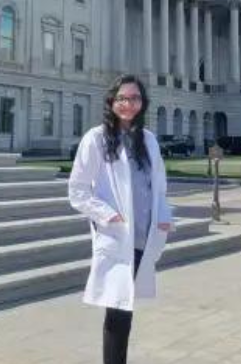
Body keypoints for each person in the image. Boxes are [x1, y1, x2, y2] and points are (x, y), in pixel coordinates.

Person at [68, 74, 173, 364]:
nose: (128, 104)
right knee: (117, 311)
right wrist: (108, 215)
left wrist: (164, 216)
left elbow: (160, 187)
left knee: (125, 310)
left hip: (143, 235)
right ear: (112, 102)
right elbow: (77, 191)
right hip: (117, 236)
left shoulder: (148, 141)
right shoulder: (96, 138)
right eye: (122, 98)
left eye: (135, 98)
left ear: (142, 102)